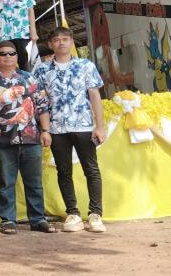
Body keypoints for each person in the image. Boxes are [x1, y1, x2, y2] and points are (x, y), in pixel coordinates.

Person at [32, 27, 107, 233]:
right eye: (56, 40)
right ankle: (72, 214)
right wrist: (44, 129)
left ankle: (95, 214)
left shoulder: (85, 65)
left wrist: (100, 126)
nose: (61, 43)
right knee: (64, 171)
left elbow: (94, 96)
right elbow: (39, 102)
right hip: (56, 128)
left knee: (91, 169)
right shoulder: (41, 70)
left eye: (65, 39)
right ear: (50, 44)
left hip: (83, 125)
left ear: (72, 41)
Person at [0, 40, 55, 234]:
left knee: (34, 182)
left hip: (31, 138)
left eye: (11, 53)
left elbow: (42, 106)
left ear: (17, 56)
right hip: (3, 139)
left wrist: (46, 131)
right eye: (2, 54)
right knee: (6, 183)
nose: (7, 57)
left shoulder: (28, 78)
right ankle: (8, 220)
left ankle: (38, 219)